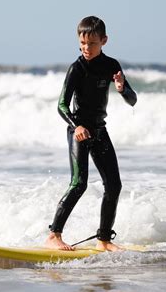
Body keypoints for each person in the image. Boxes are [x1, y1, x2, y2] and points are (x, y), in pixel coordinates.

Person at [45, 16, 137, 252]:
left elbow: (132, 100)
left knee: (114, 185)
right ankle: (54, 235)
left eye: (92, 43)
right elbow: (62, 105)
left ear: (104, 41)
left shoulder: (111, 65)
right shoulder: (77, 68)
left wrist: (121, 88)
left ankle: (104, 240)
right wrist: (76, 126)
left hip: (99, 130)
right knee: (79, 184)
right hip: (78, 131)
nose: (86, 48)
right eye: (82, 43)